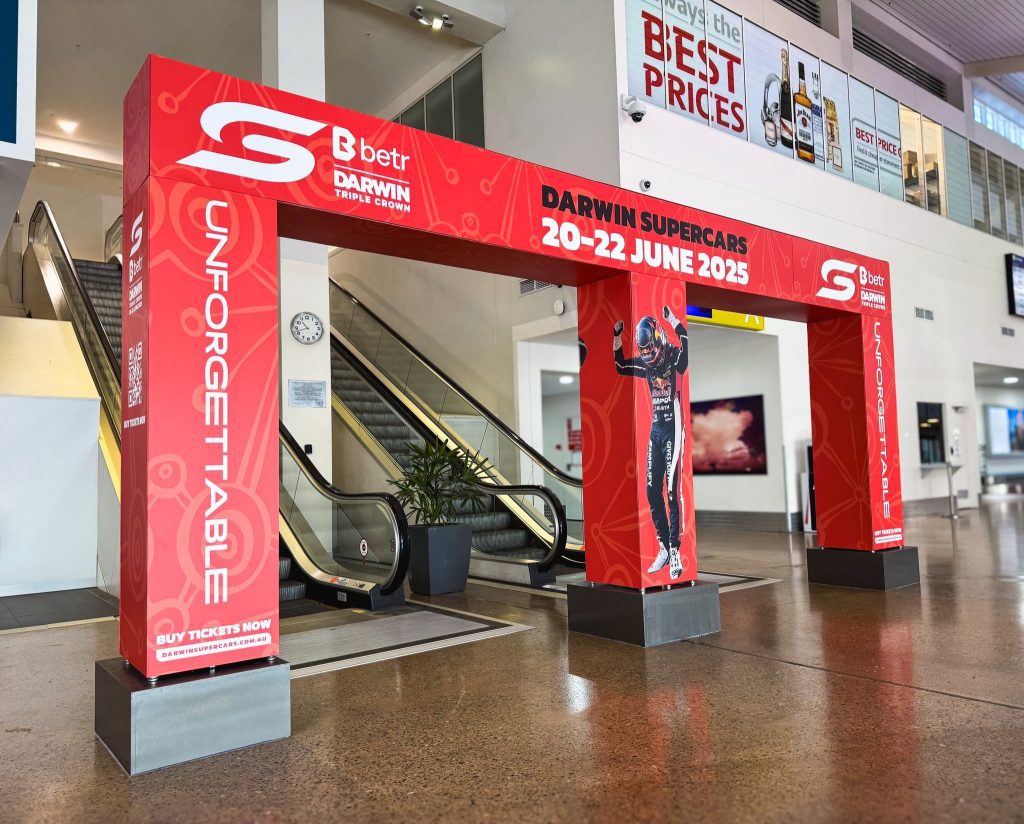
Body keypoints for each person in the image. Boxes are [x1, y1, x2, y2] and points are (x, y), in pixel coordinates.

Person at [613, 306, 688, 579]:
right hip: (656, 429)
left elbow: (686, 347)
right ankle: (663, 547)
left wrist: (674, 322)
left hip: (674, 427)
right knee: (650, 491)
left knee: (671, 492)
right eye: (643, 352)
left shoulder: (674, 357)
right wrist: (616, 338)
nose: (647, 356)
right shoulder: (645, 364)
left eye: (649, 350)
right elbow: (621, 366)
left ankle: (676, 549)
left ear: (658, 340)